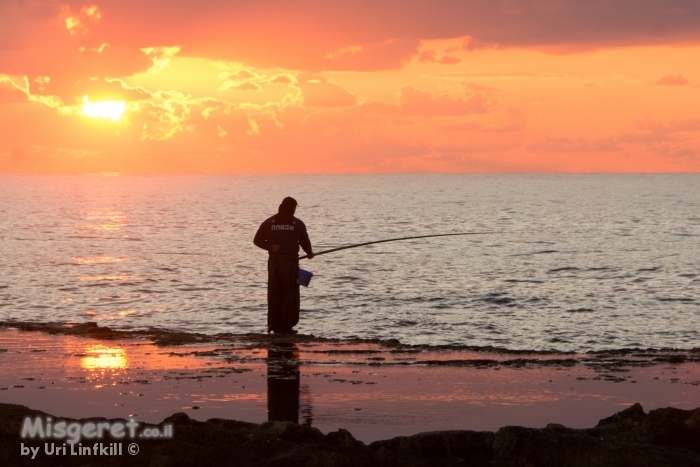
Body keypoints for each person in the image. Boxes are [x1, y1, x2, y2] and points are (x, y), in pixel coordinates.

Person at [254, 197, 314, 334]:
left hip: (273, 263)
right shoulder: (297, 224)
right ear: (292, 208)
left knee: (274, 293)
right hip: (289, 263)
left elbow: (257, 240)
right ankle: (286, 327)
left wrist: (269, 246)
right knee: (289, 294)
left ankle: (273, 326)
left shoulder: (268, 222)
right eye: (294, 207)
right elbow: (305, 241)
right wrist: (310, 253)